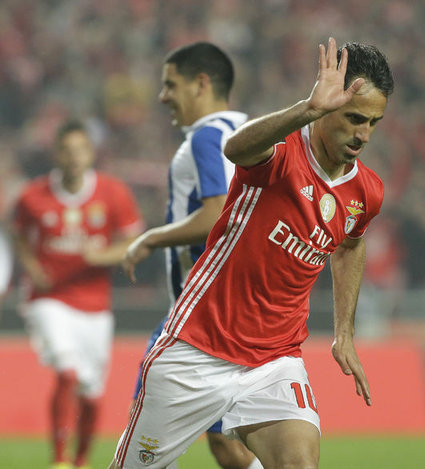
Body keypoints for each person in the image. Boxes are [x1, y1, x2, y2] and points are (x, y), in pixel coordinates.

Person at [109, 37, 393, 469]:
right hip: (198, 347)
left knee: (298, 464)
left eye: (373, 122)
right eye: (354, 118)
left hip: (275, 360)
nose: (363, 135)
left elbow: (350, 245)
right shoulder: (282, 152)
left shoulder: (366, 191)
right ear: (326, 109)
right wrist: (307, 108)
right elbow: (236, 149)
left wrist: (345, 332)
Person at [121, 41, 261, 469]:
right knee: (226, 445)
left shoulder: (206, 136)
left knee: (144, 436)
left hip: (198, 316)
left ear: (201, 83)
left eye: (170, 85)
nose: (162, 96)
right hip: (237, 310)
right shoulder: (251, 130)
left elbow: (216, 214)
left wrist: (151, 238)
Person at [11, 120, 144, 469]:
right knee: (67, 371)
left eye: (80, 150)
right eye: (67, 150)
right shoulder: (32, 195)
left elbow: (134, 239)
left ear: (91, 153)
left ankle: (81, 460)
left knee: (91, 392)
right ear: (56, 154)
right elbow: (18, 234)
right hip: (49, 298)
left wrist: (102, 255)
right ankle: (60, 460)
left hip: (95, 305)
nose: (74, 157)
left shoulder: (113, 193)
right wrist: (31, 267)